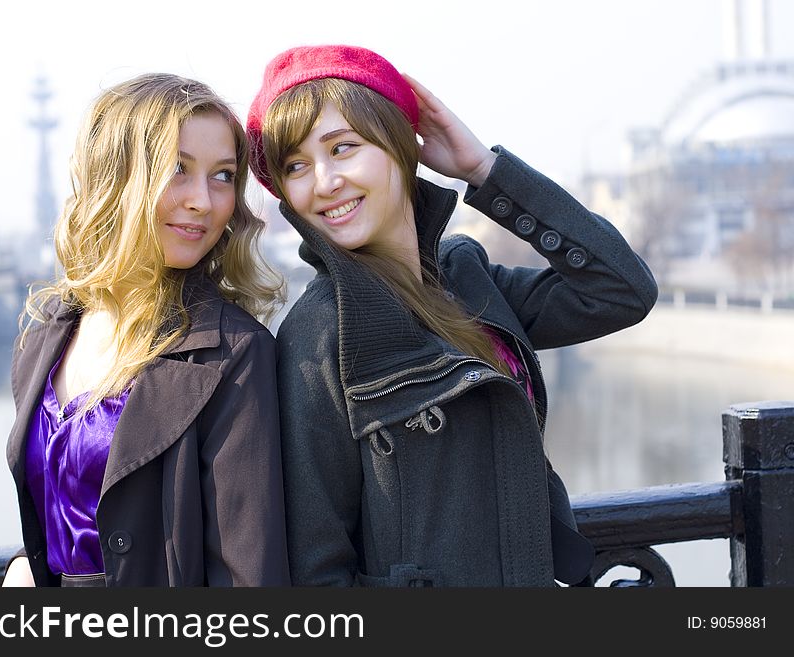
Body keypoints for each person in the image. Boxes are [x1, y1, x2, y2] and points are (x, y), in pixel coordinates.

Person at [246, 45, 658, 587]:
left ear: (398, 146)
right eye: (296, 166)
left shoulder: (466, 277)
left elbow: (620, 290)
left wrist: (484, 171)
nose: (323, 183)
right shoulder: (322, 330)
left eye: (342, 148)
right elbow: (318, 569)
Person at [2, 73, 290, 587]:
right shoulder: (44, 341)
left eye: (223, 176)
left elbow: (250, 579)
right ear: (116, 177)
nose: (204, 200)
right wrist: (27, 569)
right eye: (177, 169)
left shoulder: (233, 353)